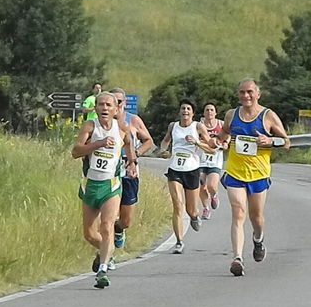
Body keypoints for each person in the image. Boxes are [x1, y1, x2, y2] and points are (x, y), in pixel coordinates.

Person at [211, 79, 290, 277]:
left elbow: (286, 142)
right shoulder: (231, 115)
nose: (245, 96)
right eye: (241, 92)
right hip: (235, 173)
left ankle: (258, 238)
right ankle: (237, 258)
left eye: (249, 92)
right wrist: (216, 141)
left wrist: (270, 141)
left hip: (258, 175)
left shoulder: (268, 116)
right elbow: (223, 134)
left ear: (258, 94)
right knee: (238, 213)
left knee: (256, 218)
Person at [71, 91, 137, 288]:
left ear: (116, 109)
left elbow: (128, 143)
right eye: (101, 105)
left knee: (107, 226)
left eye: (109, 105)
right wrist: (98, 144)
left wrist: (132, 162)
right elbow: (75, 152)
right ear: (96, 108)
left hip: (111, 185)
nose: (105, 108)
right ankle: (105, 252)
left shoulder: (122, 127)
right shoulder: (90, 127)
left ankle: (103, 270)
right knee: (89, 234)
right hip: (91, 184)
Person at [159, 99, 214, 254]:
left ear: (193, 113)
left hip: (192, 170)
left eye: (188, 109)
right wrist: (164, 151)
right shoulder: (173, 126)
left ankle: (195, 217)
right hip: (175, 169)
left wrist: (196, 142)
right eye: (183, 108)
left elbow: (211, 149)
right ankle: (179, 241)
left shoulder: (198, 127)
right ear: (180, 111)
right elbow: (165, 142)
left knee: (191, 210)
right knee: (177, 205)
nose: (185, 111)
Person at [109, 88, 154, 250]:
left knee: (126, 221)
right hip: (108, 172)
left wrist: (135, 154)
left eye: (119, 101)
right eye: (112, 102)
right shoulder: (103, 122)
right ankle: (107, 253)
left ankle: (119, 229)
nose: (116, 105)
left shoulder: (133, 120)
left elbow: (148, 140)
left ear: (125, 103)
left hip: (129, 171)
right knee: (109, 215)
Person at [198, 103, 227, 220]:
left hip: (215, 159)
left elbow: (228, 135)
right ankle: (205, 208)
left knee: (211, 185)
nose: (209, 112)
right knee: (201, 184)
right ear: (203, 113)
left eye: (211, 110)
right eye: (207, 110)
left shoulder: (221, 124)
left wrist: (225, 143)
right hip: (201, 159)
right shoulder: (199, 126)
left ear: (215, 113)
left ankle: (214, 195)